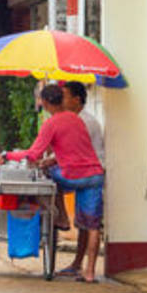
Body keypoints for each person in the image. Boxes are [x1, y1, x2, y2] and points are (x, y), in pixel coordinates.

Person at [5, 83, 105, 282]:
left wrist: (7, 155)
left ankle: (61, 217)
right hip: (94, 174)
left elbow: (34, 154)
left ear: (45, 103)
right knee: (93, 226)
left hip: (72, 175)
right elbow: (75, 150)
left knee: (48, 176)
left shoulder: (50, 124)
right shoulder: (77, 120)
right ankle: (90, 272)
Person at [61, 80, 105, 276]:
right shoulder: (79, 119)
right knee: (85, 224)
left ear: (76, 99)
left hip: (90, 174)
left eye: (65, 96)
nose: (62, 100)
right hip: (87, 173)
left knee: (92, 224)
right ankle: (79, 265)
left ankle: (90, 270)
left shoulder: (84, 122)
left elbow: (72, 150)